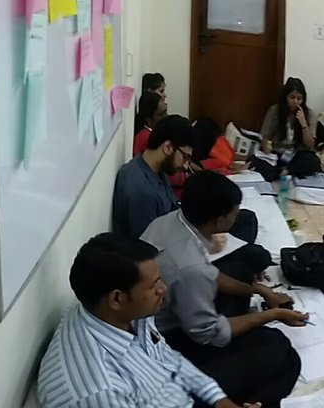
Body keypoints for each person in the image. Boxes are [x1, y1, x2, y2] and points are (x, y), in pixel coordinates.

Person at [36, 233, 258, 408]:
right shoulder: (101, 392)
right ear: (117, 299)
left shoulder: (120, 313)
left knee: (271, 349)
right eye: (153, 285)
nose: (163, 289)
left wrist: (220, 401)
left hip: (174, 393)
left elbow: (170, 360)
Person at [143, 172, 305, 406]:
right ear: (219, 221)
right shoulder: (190, 267)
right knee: (281, 351)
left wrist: (261, 291)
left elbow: (210, 274)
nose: (237, 217)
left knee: (240, 270)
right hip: (169, 343)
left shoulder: (169, 222)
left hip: (174, 308)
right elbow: (208, 333)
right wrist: (272, 314)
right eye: (234, 214)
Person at [114, 115, 195, 239]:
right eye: (185, 157)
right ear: (167, 147)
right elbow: (149, 245)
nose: (185, 166)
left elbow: (173, 206)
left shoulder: (156, 170)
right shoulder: (141, 191)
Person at [256, 78, 320, 180]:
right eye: (292, 97)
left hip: (297, 154)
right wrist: (266, 146)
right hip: (278, 153)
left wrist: (303, 124)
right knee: (255, 160)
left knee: (313, 161)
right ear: (285, 96)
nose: (295, 102)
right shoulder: (274, 111)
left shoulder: (309, 114)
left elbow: (310, 146)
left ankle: (285, 171)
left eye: (299, 99)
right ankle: (286, 171)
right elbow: (265, 138)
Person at [133, 91, 168, 157]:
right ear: (148, 119)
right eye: (161, 114)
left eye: (165, 112)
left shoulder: (154, 133)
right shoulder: (145, 138)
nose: (166, 116)